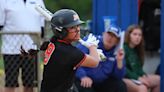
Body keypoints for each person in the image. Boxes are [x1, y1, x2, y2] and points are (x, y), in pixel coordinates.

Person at [21, 9, 101, 92]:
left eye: (77, 26)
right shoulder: (68, 52)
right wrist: (93, 46)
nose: (77, 30)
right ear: (61, 31)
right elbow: (95, 62)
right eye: (72, 27)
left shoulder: (55, 43)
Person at [0, 0, 45, 92]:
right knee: (10, 82)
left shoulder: (38, 1)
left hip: (31, 49)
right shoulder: (4, 1)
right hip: (11, 48)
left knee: (30, 83)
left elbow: (42, 23)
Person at [75, 26, 127, 92]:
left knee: (120, 85)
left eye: (113, 36)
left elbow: (118, 77)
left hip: (102, 82)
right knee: (85, 87)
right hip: (84, 78)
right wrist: (83, 76)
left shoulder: (117, 52)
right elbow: (75, 60)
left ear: (117, 41)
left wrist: (119, 61)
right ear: (103, 34)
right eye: (109, 34)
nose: (110, 38)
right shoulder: (92, 41)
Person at [123, 24, 160, 92]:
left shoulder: (137, 50)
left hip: (137, 78)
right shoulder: (123, 49)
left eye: (140, 35)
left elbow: (138, 68)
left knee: (158, 79)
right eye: (135, 34)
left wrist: (143, 75)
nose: (137, 37)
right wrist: (138, 78)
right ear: (129, 35)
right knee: (143, 88)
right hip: (126, 78)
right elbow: (124, 69)